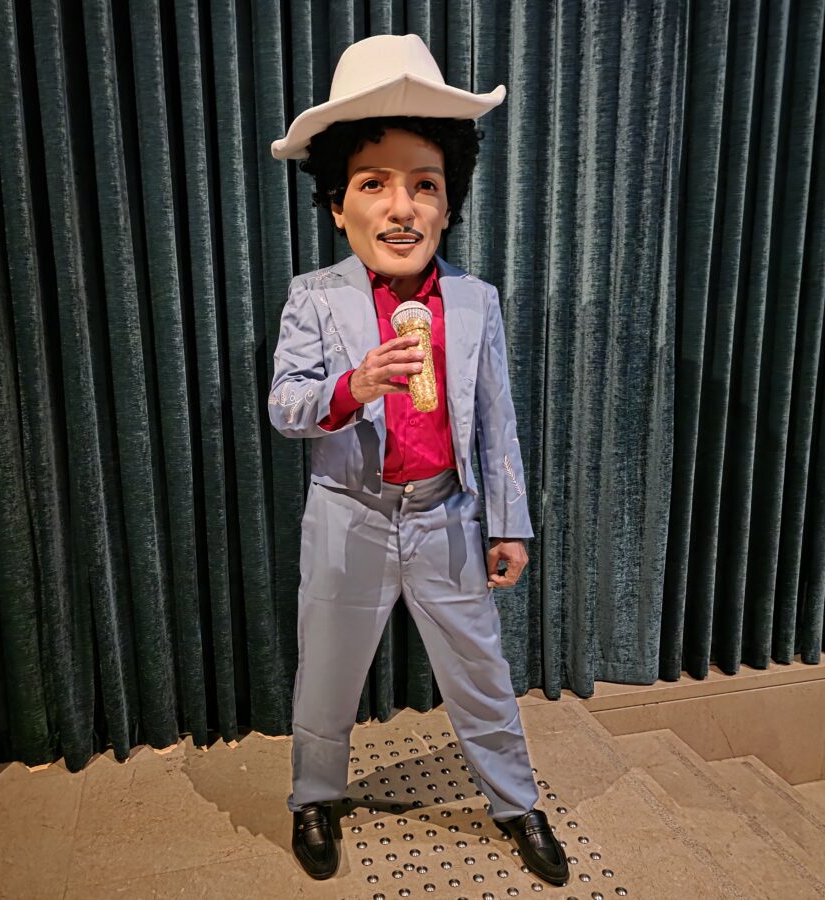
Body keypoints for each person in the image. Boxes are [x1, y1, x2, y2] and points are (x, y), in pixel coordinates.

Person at [267, 33, 568, 888]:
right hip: (348, 516)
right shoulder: (313, 298)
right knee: (327, 675)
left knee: (482, 675)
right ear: (337, 205)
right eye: (374, 184)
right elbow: (286, 407)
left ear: (447, 203)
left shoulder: (475, 302)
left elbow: (497, 421)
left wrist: (510, 525)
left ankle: (516, 803)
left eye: (424, 185)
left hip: (447, 516)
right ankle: (314, 797)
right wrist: (354, 384)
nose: (401, 208)